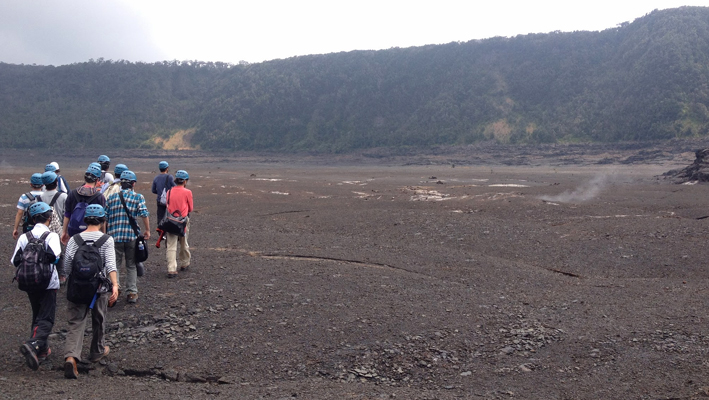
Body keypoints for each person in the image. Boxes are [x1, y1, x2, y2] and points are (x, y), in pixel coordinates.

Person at [62, 204, 118, 379]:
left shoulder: (75, 239)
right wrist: (115, 285)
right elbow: (110, 264)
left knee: (76, 321)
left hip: (78, 286)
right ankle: (97, 351)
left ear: (85, 220)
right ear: (102, 220)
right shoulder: (106, 240)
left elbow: (66, 266)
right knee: (99, 318)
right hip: (99, 287)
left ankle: (71, 356)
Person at [10, 202, 62, 370]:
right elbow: (54, 257)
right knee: (46, 317)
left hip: (29, 282)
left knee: (37, 314)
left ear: (32, 218)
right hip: (48, 282)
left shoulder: (25, 237)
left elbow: (14, 260)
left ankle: (42, 349)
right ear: (49, 218)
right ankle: (33, 344)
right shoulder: (52, 236)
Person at [105, 170, 150, 303]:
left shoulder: (111, 198)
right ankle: (131, 292)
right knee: (131, 265)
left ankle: (115, 288)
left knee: (115, 265)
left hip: (114, 236)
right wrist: (147, 230)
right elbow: (144, 213)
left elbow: (105, 218)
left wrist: (104, 233)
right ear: (133, 184)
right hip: (131, 236)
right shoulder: (138, 197)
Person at [61, 164, 106, 245]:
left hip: (74, 233)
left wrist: (64, 231)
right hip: (93, 235)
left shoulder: (72, 193)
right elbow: (103, 218)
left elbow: (67, 214)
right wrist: (104, 234)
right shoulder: (100, 197)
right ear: (97, 179)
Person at [165, 170, 193, 278]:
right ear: (185, 181)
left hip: (171, 221)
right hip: (183, 221)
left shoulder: (169, 192)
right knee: (183, 242)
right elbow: (190, 208)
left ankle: (171, 269)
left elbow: (167, 204)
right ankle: (185, 262)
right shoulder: (188, 192)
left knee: (171, 245)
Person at [12, 173, 45, 240]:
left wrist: (15, 228)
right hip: (44, 226)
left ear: (31, 184)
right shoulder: (46, 196)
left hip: (29, 227)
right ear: (43, 185)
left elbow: (19, 213)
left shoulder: (24, 197)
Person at [151, 161, 175, 225]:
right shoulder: (170, 177)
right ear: (167, 168)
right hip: (169, 201)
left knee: (160, 217)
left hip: (160, 201)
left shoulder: (156, 178)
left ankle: (161, 232)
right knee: (170, 217)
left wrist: (160, 193)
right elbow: (175, 187)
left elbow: (153, 190)